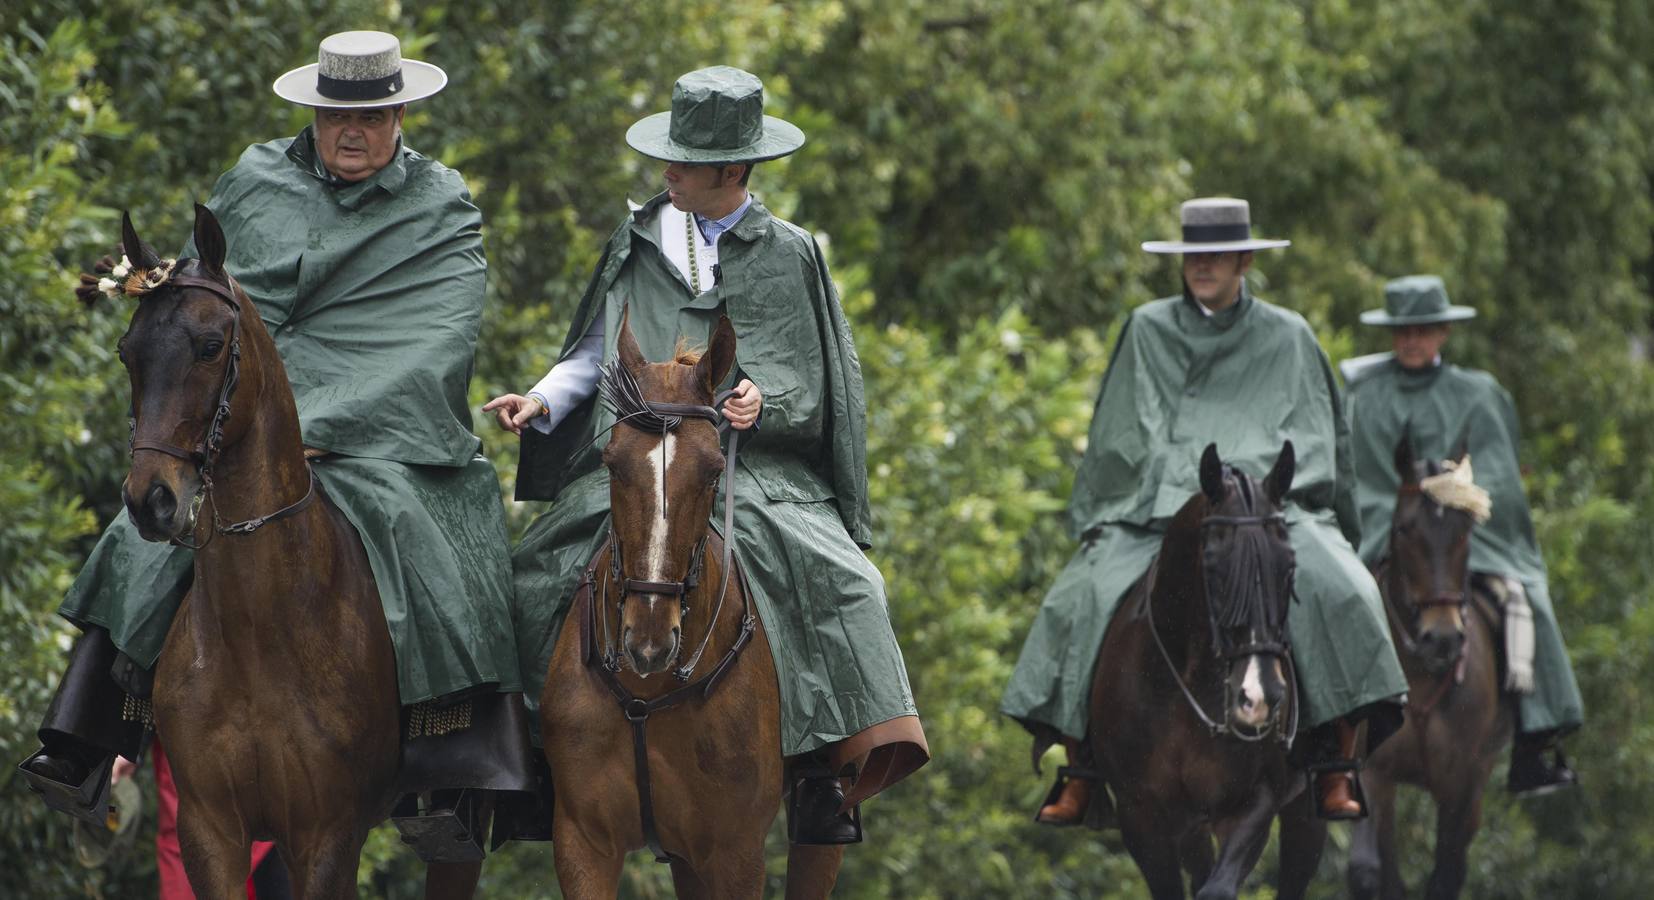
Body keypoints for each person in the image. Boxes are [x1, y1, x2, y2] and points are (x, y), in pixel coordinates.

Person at [19, 30, 533, 855]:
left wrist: (319, 425)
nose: (351, 130)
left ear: (400, 110)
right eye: (336, 114)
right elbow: (201, 313)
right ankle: (86, 733)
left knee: (439, 530)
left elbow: (437, 341)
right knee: (139, 532)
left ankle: (457, 764)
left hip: (380, 438)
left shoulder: (441, 204)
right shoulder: (255, 180)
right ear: (316, 110)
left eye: (369, 114)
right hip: (239, 427)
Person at [486, 66, 928, 845]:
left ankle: (826, 768)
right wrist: (543, 399)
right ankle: (523, 763)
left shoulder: (791, 252)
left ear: (733, 171)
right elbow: (595, 355)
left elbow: (813, 376)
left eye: (685, 161)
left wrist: (766, 401)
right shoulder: (635, 242)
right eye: (669, 155)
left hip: (757, 469)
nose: (669, 172)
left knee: (845, 579)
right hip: (636, 459)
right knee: (530, 575)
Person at [1001, 197, 1409, 822]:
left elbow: (1318, 436)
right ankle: (1078, 767)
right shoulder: (1146, 328)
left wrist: (1268, 492)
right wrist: (1154, 489)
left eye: (1216, 255)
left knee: (1347, 589)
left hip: (1268, 510)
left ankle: (1335, 760)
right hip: (1159, 507)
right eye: (1193, 256)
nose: (1203, 267)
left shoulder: (1290, 335)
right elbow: (1120, 433)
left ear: (1245, 258)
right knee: (1078, 595)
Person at [1343, 274, 1583, 795]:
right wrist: (1405, 507)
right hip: (1387, 524)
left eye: (1424, 329)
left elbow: (1496, 470)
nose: (1412, 340)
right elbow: (1354, 472)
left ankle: (1535, 738)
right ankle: (1322, 734)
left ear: (1444, 332)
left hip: (1460, 529)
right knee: (1331, 597)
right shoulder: (1363, 394)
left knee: (1525, 599)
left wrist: (1455, 493)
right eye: (1403, 330)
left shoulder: (1477, 393)